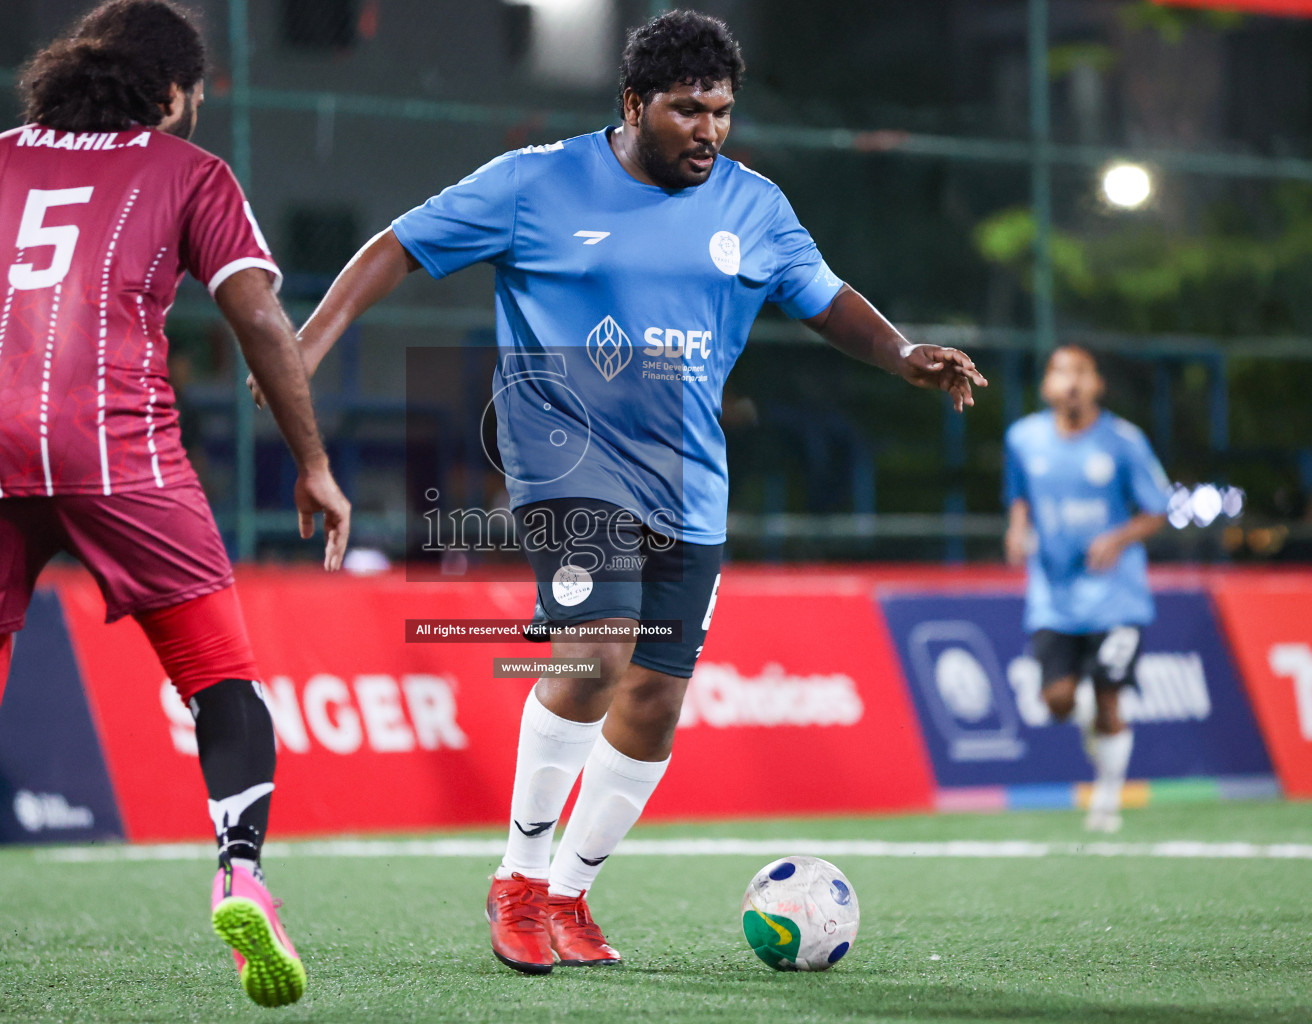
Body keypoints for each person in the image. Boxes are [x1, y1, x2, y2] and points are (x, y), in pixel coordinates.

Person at [252, 9, 986, 974]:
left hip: (688, 479)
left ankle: (569, 892)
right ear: (635, 104)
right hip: (565, 462)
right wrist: (304, 348)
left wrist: (900, 354)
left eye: (722, 112)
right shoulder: (534, 181)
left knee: (654, 701)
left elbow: (822, 295)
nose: (709, 131)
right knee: (595, 654)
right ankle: (516, 879)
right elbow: (394, 245)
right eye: (688, 111)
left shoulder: (752, 205)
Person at [0, 2, 349, 1019]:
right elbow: (259, 318)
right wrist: (313, 462)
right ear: (170, 89)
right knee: (219, 678)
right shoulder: (190, 173)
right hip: (114, 445)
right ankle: (239, 872)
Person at [1004, 345, 1169, 833]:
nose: (1071, 382)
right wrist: (1017, 528)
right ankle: (1098, 746)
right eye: (1060, 372)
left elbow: (1157, 509)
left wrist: (1118, 538)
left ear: (1097, 383)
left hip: (1115, 596)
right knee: (1056, 701)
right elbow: (1018, 494)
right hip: (1054, 596)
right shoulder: (1023, 438)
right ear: (1046, 385)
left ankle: (1107, 799)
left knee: (1109, 697)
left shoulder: (1123, 441)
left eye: (1080, 372)